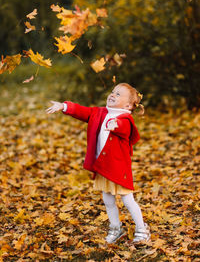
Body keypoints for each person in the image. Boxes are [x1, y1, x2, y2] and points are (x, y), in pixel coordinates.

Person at [46, 83, 150, 244]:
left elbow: (125, 129)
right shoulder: (100, 113)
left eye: (118, 94)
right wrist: (64, 106)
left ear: (128, 105)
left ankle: (142, 229)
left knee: (128, 200)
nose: (113, 95)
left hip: (118, 168)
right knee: (108, 199)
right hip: (103, 167)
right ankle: (116, 228)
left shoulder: (125, 119)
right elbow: (83, 111)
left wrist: (115, 125)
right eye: (113, 92)